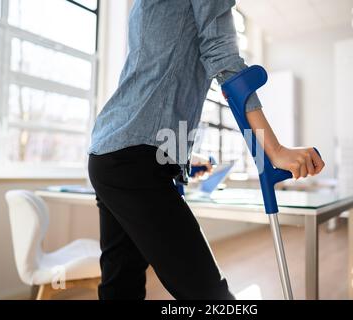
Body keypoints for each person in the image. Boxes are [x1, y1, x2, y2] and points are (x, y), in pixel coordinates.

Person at [88, 0, 325, 300]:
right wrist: (274, 150)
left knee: (121, 288)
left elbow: (155, 83)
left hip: (108, 153)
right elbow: (226, 64)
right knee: (212, 299)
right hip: (133, 161)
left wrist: (176, 156)